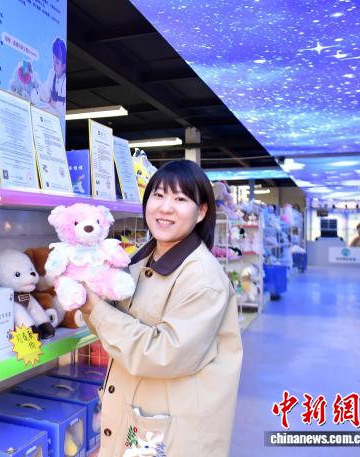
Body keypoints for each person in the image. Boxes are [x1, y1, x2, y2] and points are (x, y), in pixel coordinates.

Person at [80, 160, 243, 456]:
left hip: (174, 431)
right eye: (158, 195)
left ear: (201, 212)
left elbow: (164, 353)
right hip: (141, 418)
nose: (165, 207)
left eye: (180, 199)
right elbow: (113, 326)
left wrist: (97, 310)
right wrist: (87, 297)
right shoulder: (141, 260)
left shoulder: (203, 279)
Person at [39, 37, 66, 116]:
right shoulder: (52, 74)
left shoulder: (65, 82)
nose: (54, 64)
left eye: (57, 62)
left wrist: (54, 103)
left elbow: (63, 111)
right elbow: (45, 96)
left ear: (63, 66)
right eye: (53, 58)